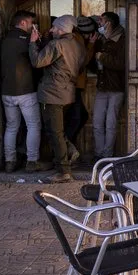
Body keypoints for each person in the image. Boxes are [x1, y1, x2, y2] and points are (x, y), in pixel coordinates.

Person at [29, 15, 86, 183]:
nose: (51, 30)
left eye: (54, 28)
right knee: (58, 131)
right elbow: (80, 67)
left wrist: (33, 43)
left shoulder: (57, 44)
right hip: (68, 93)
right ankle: (68, 152)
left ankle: (63, 171)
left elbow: (38, 62)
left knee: (54, 132)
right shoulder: (78, 45)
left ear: (61, 29)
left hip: (52, 94)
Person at [0, 11, 47, 173]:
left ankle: (9, 161)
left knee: (12, 126)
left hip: (6, 91)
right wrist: (37, 41)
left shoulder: (4, 39)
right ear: (23, 23)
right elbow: (38, 61)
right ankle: (32, 161)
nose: (34, 25)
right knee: (33, 125)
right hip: (26, 90)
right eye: (32, 22)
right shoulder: (27, 40)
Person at [63, 16, 98, 163]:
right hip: (72, 85)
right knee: (78, 116)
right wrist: (91, 44)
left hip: (75, 85)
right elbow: (83, 61)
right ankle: (65, 147)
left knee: (79, 116)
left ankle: (67, 146)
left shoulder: (78, 38)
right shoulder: (77, 39)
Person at [93, 11, 125, 161]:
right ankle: (99, 155)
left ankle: (107, 155)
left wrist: (102, 57)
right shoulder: (101, 39)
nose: (99, 23)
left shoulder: (122, 40)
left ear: (109, 23)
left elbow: (121, 64)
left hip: (116, 87)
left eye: (101, 21)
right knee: (97, 122)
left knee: (110, 123)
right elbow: (93, 63)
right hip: (102, 86)